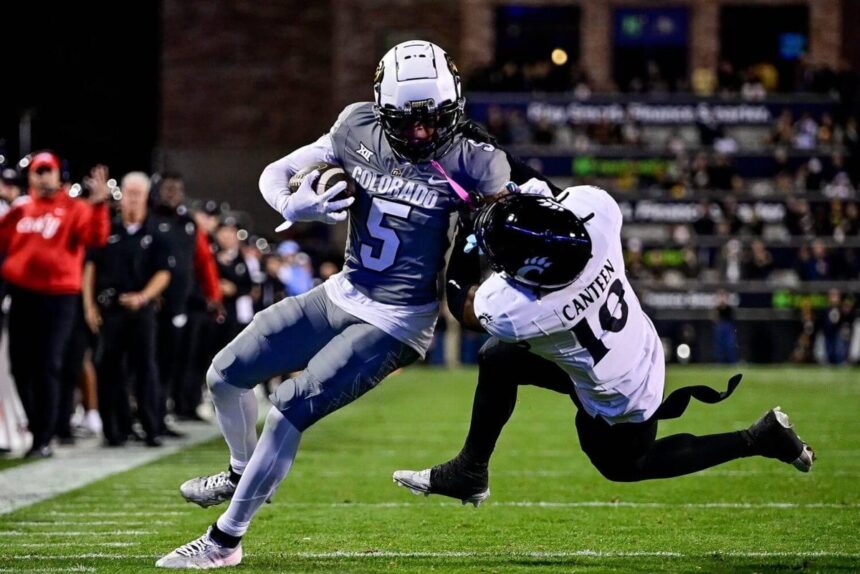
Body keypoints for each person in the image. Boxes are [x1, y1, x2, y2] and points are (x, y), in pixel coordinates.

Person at [156, 40, 511, 568]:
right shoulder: (356, 126)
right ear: (382, 109)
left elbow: (506, 227)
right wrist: (293, 204)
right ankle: (241, 472)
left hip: (398, 319)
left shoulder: (475, 161)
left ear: (455, 106)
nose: (419, 132)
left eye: (433, 120)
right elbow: (274, 173)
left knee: (289, 408)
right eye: (405, 121)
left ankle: (224, 541)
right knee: (224, 375)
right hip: (343, 291)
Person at [392, 187, 815, 506]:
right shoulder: (599, 217)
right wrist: (510, 199)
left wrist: (467, 227)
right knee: (498, 359)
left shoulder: (520, 310)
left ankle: (758, 439)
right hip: (636, 349)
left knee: (625, 466)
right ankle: (471, 468)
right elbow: (550, 202)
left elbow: (459, 302)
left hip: (620, 399)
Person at [0, 151, 110, 458]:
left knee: (47, 364)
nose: (43, 175)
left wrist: (99, 204)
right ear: (31, 175)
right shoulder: (21, 209)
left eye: (49, 170)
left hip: (59, 297)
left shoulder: (75, 208)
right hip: (22, 295)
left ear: (59, 175)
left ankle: (43, 436)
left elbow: (96, 238)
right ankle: (37, 426)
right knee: (20, 367)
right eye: (38, 170)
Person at [84, 172, 173, 446]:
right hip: (111, 309)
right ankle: (115, 429)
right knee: (108, 367)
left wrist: (144, 296)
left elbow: (164, 272)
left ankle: (151, 427)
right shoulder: (107, 229)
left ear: (146, 197)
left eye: (138, 194)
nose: (133, 200)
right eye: (129, 193)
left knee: (145, 367)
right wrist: (89, 305)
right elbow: (90, 267)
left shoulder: (156, 232)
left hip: (141, 309)